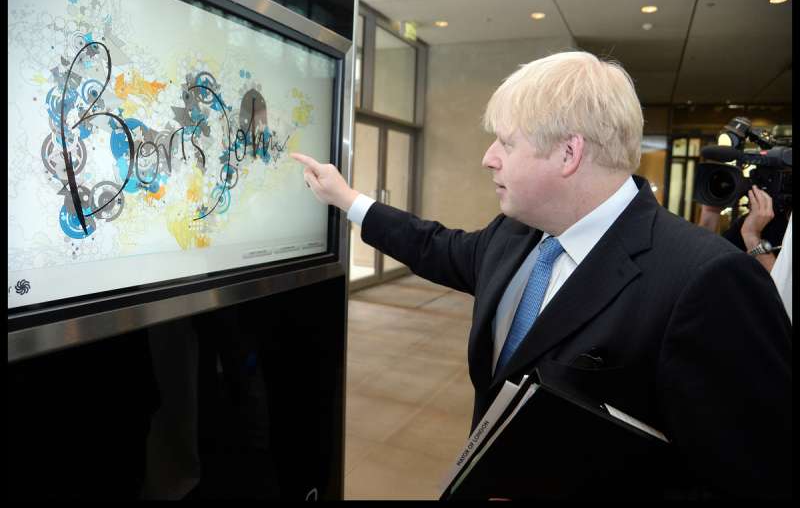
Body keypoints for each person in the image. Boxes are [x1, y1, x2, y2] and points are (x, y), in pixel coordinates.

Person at [292, 51, 791, 499]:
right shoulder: (515, 233)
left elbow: (753, 478)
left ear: (568, 153)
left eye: (506, 142)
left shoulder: (708, 280)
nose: (488, 157)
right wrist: (347, 200)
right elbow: (436, 246)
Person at [698, 186, 789, 272]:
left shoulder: (752, 226)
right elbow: (700, 265)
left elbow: (783, 286)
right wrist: (711, 213)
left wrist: (752, 235)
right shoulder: (757, 220)